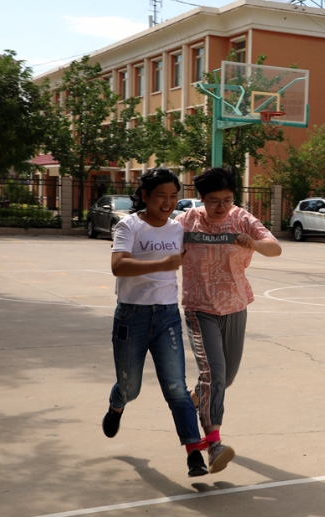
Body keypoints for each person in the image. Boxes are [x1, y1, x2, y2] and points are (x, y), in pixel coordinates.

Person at [101, 167, 208, 477]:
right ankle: (117, 405)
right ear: (145, 195)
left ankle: (194, 453)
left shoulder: (177, 228)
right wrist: (163, 263)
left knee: (176, 387)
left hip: (166, 316)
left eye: (173, 196)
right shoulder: (129, 226)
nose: (168, 202)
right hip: (131, 316)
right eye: (161, 195)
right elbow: (118, 265)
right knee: (130, 387)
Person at [177, 166, 282, 474]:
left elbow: (275, 248)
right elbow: (161, 247)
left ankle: (195, 398)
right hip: (199, 308)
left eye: (227, 200)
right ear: (202, 199)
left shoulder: (241, 218)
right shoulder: (186, 222)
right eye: (213, 201)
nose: (221, 207)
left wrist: (254, 244)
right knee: (215, 375)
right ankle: (214, 444)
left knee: (225, 378)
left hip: (235, 305)